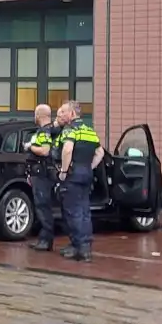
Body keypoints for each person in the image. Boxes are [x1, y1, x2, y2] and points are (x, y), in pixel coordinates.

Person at [55, 100, 103, 262]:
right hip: (86, 174)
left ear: (72, 114)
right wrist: (90, 167)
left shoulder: (70, 129)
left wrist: (64, 171)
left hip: (73, 175)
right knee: (84, 211)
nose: (62, 115)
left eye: (64, 112)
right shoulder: (90, 131)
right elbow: (100, 153)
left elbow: (67, 150)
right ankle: (85, 246)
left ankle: (79, 247)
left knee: (73, 211)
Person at [27, 104, 63, 251]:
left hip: (42, 175)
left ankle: (45, 241)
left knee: (43, 207)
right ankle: (44, 239)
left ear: (39, 116)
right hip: (43, 174)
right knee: (43, 207)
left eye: (35, 114)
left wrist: (30, 146)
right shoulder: (52, 130)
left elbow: (45, 151)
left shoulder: (44, 131)